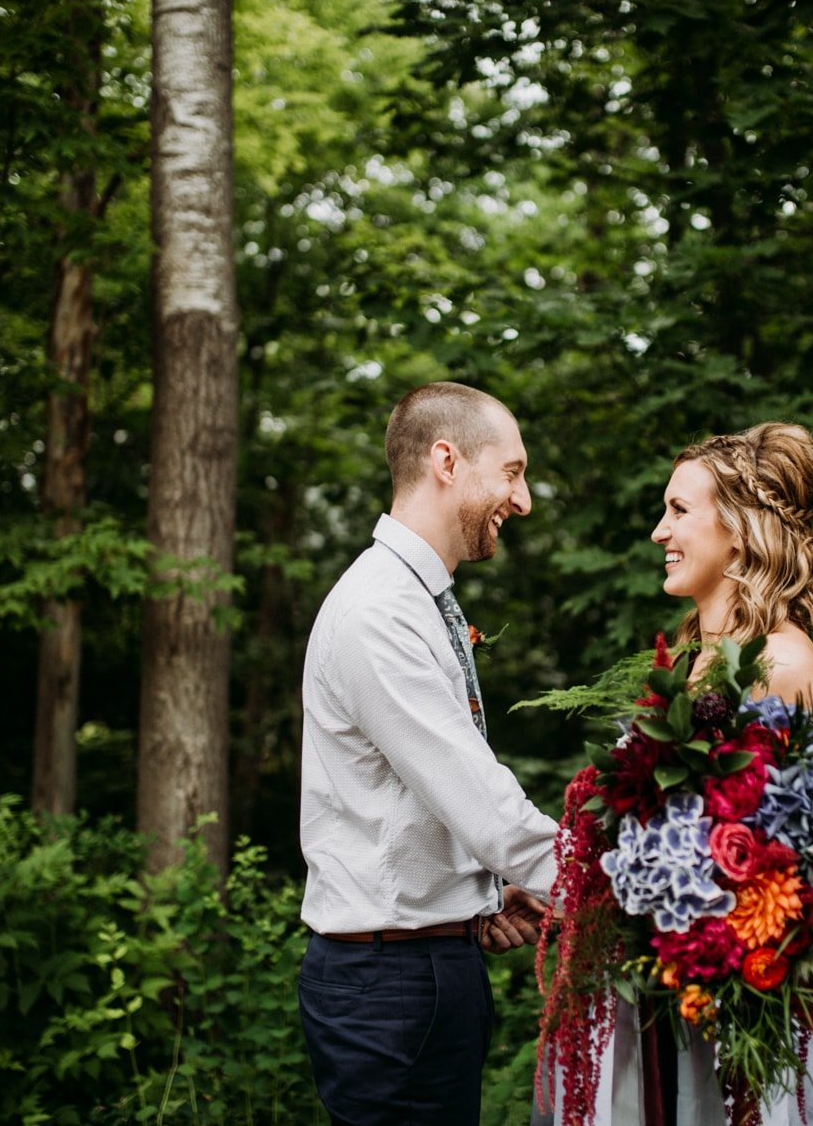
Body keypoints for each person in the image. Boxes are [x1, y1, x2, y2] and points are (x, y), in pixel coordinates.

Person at [538, 421, 813, 1126]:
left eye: (678, 510)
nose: (657, 531)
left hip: (748, 1011)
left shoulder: (784, 662)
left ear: (737, 528)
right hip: (675, 1005)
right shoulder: (691, 662)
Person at [298, 381, 559, 1126]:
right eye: (511, 471)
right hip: (388, 987)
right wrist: (616, 893)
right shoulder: (379, 611)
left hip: (431, 966)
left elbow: (416, 798)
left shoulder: (419, 599)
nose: (525, 498)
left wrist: (478, 898)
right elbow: (484, 805)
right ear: (447, 459)